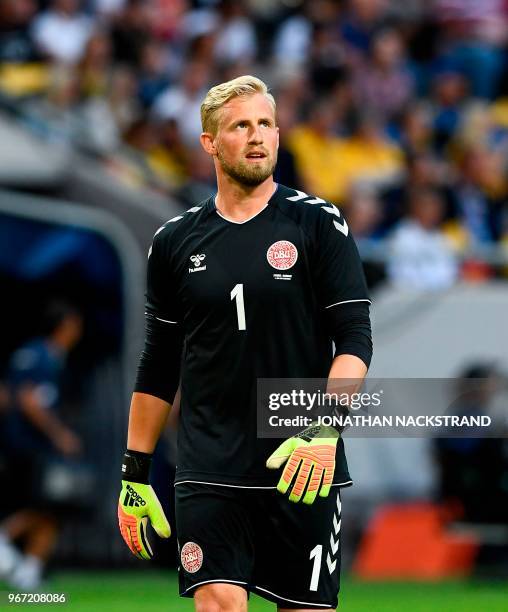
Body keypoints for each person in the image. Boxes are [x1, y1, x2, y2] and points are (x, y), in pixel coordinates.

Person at [118, 75, 372, 611]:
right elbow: (158, 364)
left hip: (302, 460)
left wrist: (326, 429)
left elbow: (354, 339)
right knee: (218, 601)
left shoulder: (317, 223)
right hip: (209, 463)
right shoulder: (173, 243)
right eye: (240, 126)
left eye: (265, 124)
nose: (257, 136)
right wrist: (134, 471)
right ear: (211, 143)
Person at [0, 301, 83, 590]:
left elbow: (5, 396)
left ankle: (29, 573)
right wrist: (60, 434)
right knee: (44, 504)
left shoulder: (37, 355)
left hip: (24, 445)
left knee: (52, 509)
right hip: (33, 446)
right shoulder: (42, 356)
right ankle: (3, 541)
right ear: (63, 326)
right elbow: (29, 400)